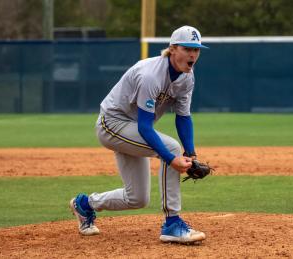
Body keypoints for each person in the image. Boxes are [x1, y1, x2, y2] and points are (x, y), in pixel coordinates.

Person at [70, 25, 209, 244]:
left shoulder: (187, 77)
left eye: (197, 49)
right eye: (187, 48)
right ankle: (172, 224)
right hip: (113, 124)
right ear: (173, 49)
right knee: (171, 148)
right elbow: (145, 128)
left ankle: (85, 204)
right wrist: (172, 158)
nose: (193, 54)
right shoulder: (151, 75)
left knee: (137, 198)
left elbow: (183, 117)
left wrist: (191, 153)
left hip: (132, 129)